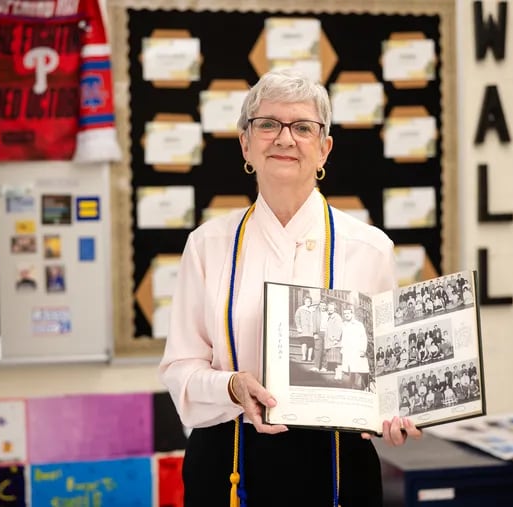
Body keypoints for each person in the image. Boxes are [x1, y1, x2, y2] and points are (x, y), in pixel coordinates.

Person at [158, 69, 421, 507]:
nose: (284, 138)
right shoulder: (207, 245)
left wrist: (398, 412)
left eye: (303, 127)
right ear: (246, 143)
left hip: (339, 468)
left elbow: (389, 377)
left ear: (325, 148)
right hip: (229, 466)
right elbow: (179, 369)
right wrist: (232, 386)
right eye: (267, 124)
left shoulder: (370, 249)